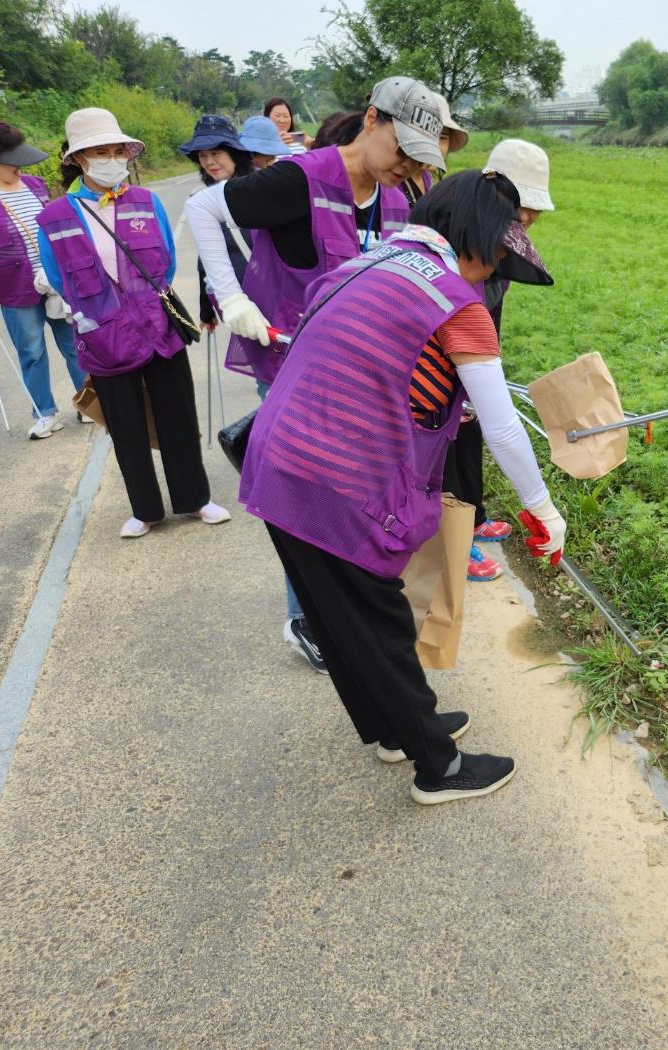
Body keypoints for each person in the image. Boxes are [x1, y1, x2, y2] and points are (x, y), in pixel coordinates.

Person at [238, 169, 567, 804]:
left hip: (280, 461)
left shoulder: (375, 261)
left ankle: (398, 729)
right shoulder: (456, 301)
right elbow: (501, 428)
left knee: (348, 622)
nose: (493, 271)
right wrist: (543, 508)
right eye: (498, 254)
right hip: (331, 479)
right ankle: (438, 768)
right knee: (377, 621)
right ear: (475, 235)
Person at [185, 76, 446, 672]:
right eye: (402, 149)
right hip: (291, 368)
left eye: (418, 159)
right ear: (372, 121)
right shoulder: (298, 180)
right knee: (304, 497)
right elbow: (203, 206)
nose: (407, 166)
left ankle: (346, 605)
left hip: (363, 377)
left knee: (353, 495)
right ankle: (306, 618)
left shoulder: (401, 198)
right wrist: (230, 299)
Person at [37, 108, 230, 539]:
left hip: (158, 327)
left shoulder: (147, 201)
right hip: (103, 336)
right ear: (78, 160)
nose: (111, 159)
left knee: (177, 414)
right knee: (125, 425)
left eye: (115, 150)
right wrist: (99, 314)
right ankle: (145, 509)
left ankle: (195, 498)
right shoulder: (54, 218)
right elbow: (56, 276)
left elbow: (167, 259)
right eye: (98, 152)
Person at [447, 138, 556, 583]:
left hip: (474, 343)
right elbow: (506, 428)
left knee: (470, 434)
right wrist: (542, 505)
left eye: (535, 208)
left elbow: (490, 313)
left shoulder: (502, 246)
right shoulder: (460, 236)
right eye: (520, 203)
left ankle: (471, 520)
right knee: (445, 446)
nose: (527, 217)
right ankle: (454, 542)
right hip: (441, 359)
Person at [0, 120, 86, 439]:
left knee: (74, 343)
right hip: (14, 288)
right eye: (12, 161)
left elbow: (56, 230)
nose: (20, 167)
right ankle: (44, 413)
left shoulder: (34, 186)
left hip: (54, 279)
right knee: (31, 351)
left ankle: (89, 404)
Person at [178, 114, 256, 331]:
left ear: (234, 153)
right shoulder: (202, 200)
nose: (209, 162)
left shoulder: (260, 188)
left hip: (275, 297)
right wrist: (206, 309)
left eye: (216, 153)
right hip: (236, 306)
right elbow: (206, 259)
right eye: (203, 155)